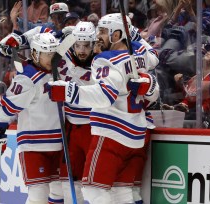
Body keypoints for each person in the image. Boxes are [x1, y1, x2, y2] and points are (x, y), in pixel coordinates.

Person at [48, 13, 159, 203]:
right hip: (136, 135)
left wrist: (68, 92)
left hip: (111, 134)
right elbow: (154, 63)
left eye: (103, 31)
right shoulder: (140, 57)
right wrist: (148, 82)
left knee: (93, 191)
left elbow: (104, 95)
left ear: (116, 36)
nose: (98, 36)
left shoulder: (105, 60)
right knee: (122, 193)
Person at [0, 33, 64, 204]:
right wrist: (0, 130)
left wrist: (19, 38)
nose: (52, 58)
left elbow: (52, 30)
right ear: (35, 54)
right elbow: (6, 107)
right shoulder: (27, 78)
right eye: (46, 54)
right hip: (34, 145)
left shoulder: (59, 71)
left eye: (53, 53)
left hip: (60, 142)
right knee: (38, 195)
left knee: (59, 192)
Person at [57, 21, 97, 203]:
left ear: (94, 43)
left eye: (86, 45)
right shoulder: (63, 57)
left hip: (94, 129)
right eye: (77, 45)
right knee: (68, 182)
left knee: (93, 183)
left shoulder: (101, 64)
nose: (81, 50)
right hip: (71, 129)